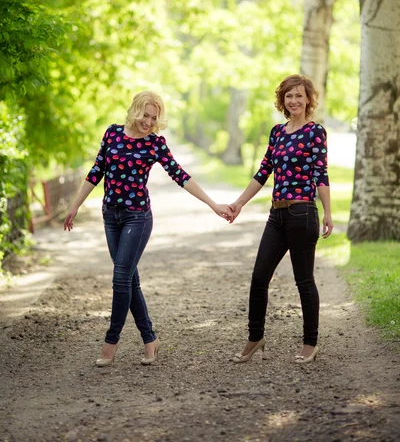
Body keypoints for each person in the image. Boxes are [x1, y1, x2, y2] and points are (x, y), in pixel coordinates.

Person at [64, 91, 232, 367]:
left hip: (137, 218)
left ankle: (111, 342)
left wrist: (213, 204)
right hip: (110, 216)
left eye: (154, 118)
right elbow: (96, 171)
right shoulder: (112, 134)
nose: (149, 121)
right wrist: (75, 206)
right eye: (145, 115)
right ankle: (150, 339)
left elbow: (181, 176)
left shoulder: (155, 143)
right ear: (135, 110)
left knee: (120, 279)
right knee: (129, 280)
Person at [229, 74, 333, 365]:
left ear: (308, 99)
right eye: (289, 96)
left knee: (304, 280)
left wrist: (327, 211)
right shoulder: (277, 132)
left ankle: (310, 343)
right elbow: (263, 173)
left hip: (302, 213)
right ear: (282, 100)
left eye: (299, 95)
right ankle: (255, 337)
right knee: (259, 276)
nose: (294, 101)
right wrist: (238, 203)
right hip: (276, 214)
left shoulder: (315, 132)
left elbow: (320, 174)